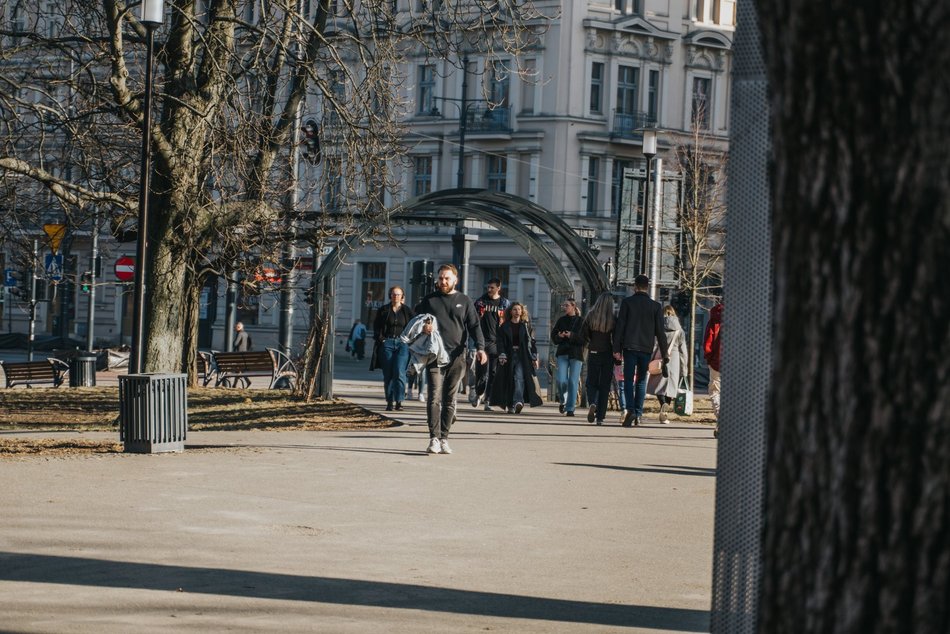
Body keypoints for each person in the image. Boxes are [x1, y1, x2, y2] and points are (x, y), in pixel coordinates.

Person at [414, 264, 487, 455]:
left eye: (446, 278)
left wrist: (480, 348)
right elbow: (415, 320)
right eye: (440, 278)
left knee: (449, 399)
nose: (443, 282)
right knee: (434, 397)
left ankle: (444, 438)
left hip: (457, 356)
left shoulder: (464, 300)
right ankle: (434, 438)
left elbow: (474, 326)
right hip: (434, 355)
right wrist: (423, 327)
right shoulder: (430, 300)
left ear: (455, 280)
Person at [613, 274, 668, 427]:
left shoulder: (627, 303)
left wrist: (616, 348)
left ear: (635, 286)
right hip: (646, 348)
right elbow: (660, 332)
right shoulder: (656, 306)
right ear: (647, 287)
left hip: (629, 347)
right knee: (642, 380)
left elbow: (620, 327)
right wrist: (665, 353)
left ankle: (630, 409)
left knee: (629, 380)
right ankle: (638, 413)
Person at [491, 302, 543, 413]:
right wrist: (502, 354)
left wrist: (534, 357)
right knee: (508, 379)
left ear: (522, 312)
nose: (517, 311)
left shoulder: (525, 325)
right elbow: (500, 342)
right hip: (508, 355)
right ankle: (510, 405)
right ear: (510, 311)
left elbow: (532, 342)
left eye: (519, 309)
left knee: (519, 377)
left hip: (522, 355)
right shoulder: (504, 326)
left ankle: (518, 401)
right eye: (514, 309)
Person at [472, 278, 511, 411]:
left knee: (493, 372)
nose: (489, 290)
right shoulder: (480, 302)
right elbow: (473, 321)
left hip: (497, 342)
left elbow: (508, 323)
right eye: (488, 287)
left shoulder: (505, 304)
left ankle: (488, 400)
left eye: (492, 288)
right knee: (481, 372)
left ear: (498, 288)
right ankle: (479, 392)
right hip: (481, 342)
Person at [373, 286, 414, 411]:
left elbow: (413, 326)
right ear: (390, 296)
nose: (396, 296)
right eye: (393, 294)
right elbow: (376, 326)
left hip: (402, 344)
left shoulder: (407, 311)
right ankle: (390, 401)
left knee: (399, 372)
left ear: (402, 296)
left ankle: (399, 401)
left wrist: (410, 341)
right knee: (388, 374)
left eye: (398, 294)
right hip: (388, 343)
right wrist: (382, 339)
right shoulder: (383, 310)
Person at [648, 305, 689, 424]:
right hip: (674, 359)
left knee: (658, 386)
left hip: (660, 357)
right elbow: (683, 351)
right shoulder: (680, 330)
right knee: (671, 387)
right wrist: (684, 369)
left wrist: (650, 360)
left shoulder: (658, 327)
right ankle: (665, 412)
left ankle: (663, 404)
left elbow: (654, 344)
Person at [581, 292, 616, 424]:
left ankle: (593, 402)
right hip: (607, 353)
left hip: (594, 351)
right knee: (604, 385)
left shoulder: (591, 315)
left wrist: (590, 343)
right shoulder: (613, 318)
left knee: (591, 382)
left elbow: (583, 334)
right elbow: (616, 337)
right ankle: (600, 417)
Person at [550, 298, 584, 416]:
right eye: (563, 305)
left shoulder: (581, 321)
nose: (564, 307)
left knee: (573, 381)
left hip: (576, 354)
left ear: (573, 306)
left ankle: (570, 409)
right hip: (563, 353)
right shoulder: (561, 320)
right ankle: (563, 400)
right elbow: (553, 337)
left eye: (566, 305)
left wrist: (571, 335)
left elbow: (584, 340)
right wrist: (559, 336)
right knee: (561, 380)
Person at [704, 302, 723, 438]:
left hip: (717, 361)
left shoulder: (715, 317)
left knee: (715, 391)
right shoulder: (745, 316)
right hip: (738, 363)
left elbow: (708, 340)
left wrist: (709, 358)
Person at [233, 322, 252, 388]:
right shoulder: (246, 334)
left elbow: (235, 344)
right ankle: (235, 384)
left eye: (236, 327)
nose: (235, 328)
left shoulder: (240, 334)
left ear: (239, 327)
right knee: (239, 369)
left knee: (238, 369)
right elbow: (250, 343)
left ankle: (235, 385)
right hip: (245, 354)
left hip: (239, 354)